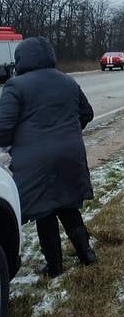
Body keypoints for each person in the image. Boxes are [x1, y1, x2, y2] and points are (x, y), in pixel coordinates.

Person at [0, 37, 96, 277]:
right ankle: (87, 254)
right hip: (70, 154)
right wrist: (68, 134)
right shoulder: (67, 81)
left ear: (21, 59)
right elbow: (87, 113)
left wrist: (13, 144)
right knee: (67, 203)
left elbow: (3, 128)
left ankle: (54, 266)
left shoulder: (15, 86)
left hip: (35, 160)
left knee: (44, 210)